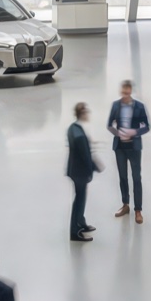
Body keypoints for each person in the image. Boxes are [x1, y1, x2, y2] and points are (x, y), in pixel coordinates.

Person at [107, 80, 150, 222]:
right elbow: (109, 125)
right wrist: (118, 133)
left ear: (130, 91)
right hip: (120, 147)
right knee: (123, 176)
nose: (125, 95)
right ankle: (125, 204)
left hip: (134, 147)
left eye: (127, 92)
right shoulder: (115, 105)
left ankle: (138, 210)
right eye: (123, 92)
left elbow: (147, 126)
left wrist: (134, 132)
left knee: (136, 178)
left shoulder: (139, 107)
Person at [66, 102, 99, 241]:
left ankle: (81, 223)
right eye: (86, 112)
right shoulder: (79, 134)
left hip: (75, 170)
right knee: (79, 200)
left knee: (81, 198)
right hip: (80, 171)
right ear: (82, 114)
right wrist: (93, 168)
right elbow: (85, 156)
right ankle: (75, 231)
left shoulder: (73, 128)